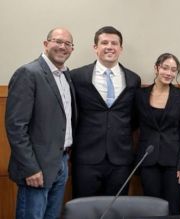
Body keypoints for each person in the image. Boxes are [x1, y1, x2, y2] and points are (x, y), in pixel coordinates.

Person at [5, 28, 76, 219]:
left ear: (72, 49)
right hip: (36, 167)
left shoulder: (66, 76)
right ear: (45, 44)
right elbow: (16, 127)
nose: (62, 47)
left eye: (67, 44)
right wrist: (31, 168)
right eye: (57, 41)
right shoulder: (28, 73)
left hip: (61, 162)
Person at [70, 26, 141, 198]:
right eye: (104, 43)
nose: (110, 47)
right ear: (95, 47)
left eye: (114, 43)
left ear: (121, 48)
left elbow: (134, 117)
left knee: (116, 210)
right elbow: (71, 114)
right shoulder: (76, 77)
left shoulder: (133, 79)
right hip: (86, 158)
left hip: (121, 159)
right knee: (84, 210)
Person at [135, 53, 180, 215]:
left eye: (173, 70)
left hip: (173, 163)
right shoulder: (140, 95)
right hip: (147, 159)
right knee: (151, 209)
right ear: (156, 68)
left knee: (173, 208)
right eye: (165, 68)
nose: (169, 73)